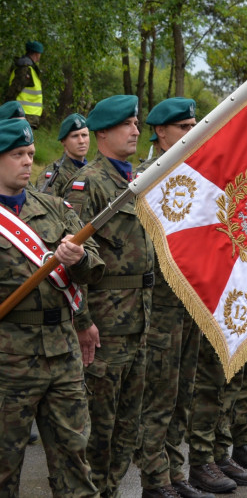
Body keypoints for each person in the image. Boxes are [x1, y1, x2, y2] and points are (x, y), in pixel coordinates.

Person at [0, 118, 104, 496]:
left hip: (62, 353)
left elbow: (95, 268)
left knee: (75, 461)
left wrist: (77, 260)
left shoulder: (54, 206)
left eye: (30, 154)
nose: (28, 161)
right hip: (9, 359)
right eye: (17, 155)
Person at [61, 95, 158, 497]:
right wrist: (82, 322)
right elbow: (69, 259)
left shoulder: (134, 180)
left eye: (136, 124)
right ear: (104, 132)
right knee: (98, 429)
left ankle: (111, 490)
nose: (136, 131)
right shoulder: (89, 184)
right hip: (104, 327)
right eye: (128, 124)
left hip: (138, 321)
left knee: (126, 428)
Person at [132, 97, 214, 498]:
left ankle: (175, 471)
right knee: (160, 395)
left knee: (184, 392)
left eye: (195, 126)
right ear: (161, 133)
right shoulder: (146, 180)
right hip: (161, 306)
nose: (192, 134)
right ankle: (155, 478)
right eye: (184, 128)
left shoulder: (201, 177)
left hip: (192, 302)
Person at [36, 113, 89, 195]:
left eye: (84, 135)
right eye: (75, 136)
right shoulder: (54, 174)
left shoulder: (91, 170)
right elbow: (44, 204)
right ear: (63, 141)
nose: (81, 141)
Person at [5, 41, 44, 127]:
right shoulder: (25, 68)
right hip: (23, 114)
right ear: (36, 54)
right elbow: (14, 89)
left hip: (27, 114)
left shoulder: (29, 68)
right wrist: (8, 109)